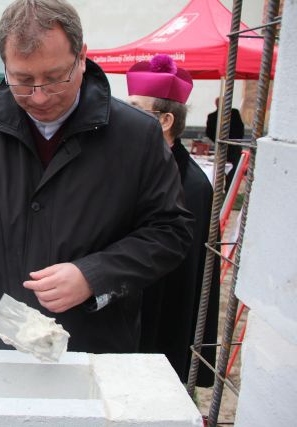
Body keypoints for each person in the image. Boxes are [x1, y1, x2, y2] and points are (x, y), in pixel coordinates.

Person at [0, 0, 193, 354]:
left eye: (56, 77)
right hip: (5, 341)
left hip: (95, 343)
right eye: (22, 80)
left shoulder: (137, 134)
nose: (39, 96)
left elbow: (170, 232)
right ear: (5, 67)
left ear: (82, 58)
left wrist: (94, 274)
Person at [127, 54, 219, 386]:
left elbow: (190, 278)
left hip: (160, 317)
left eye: (136, 107)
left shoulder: (193, 187)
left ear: (165, 120)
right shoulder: (124, 163)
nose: (126, 115)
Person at [205, 96, 245, 191]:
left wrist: (218, 140)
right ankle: (225, 189)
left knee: (229, 170)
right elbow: (209, 132)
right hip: (229, 146)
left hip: (229, 146)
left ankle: (226, 189)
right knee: (224, 169)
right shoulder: (214, 116)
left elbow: (240, 128)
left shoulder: (233, 113)